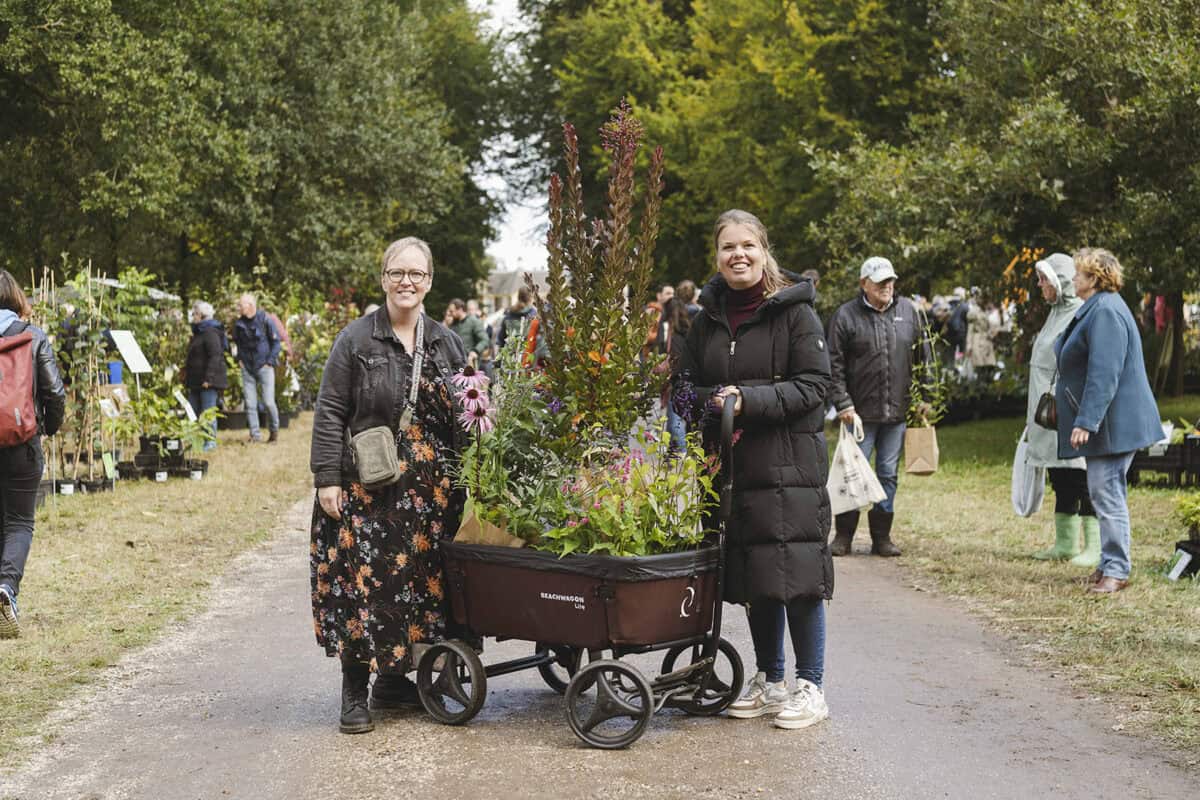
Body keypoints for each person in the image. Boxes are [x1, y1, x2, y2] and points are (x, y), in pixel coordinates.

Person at [673, 209, 832, 730]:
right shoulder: (707, 318)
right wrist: (711, 402)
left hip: (788, 464)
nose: (738, 255)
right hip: (731, 467)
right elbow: (680, 389)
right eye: (727, 248)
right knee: (755, 573)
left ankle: (811, 685)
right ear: (716, 257)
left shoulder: (796, 314)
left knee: (798, 572)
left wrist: (750, 401)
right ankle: (770, 678)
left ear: (764, 251)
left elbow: (815, 387)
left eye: (747, 245)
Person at [310, 237, 467, 733]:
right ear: (383, 278)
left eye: (417, 274)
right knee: (363, 590)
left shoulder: (446, 341)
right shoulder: (355, 340)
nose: (407, 282)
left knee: (425, 589)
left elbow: (467, 412)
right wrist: (327, 479)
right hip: (370, 492)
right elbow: (331, 410)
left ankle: (400, 682)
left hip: (432, 497)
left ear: (429, 282)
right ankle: (356, 687)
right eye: (398, 273)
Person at [1055, 248, 1161, 594]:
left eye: (1078, 274)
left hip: (1115, 422)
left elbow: (1105, 373)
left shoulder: (1105, 311)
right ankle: (1108, 564)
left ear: (1094, 279)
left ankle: (1116, 568)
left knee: (1106, 492)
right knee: (1105, 492)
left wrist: (1086, 421)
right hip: (1112, 421)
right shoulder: (1099, 307)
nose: (1073, 279)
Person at [826, 256, 931, 557]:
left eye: (891, 281)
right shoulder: (845, 316)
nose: (888, 286)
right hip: (857, 414)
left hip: (896, 412)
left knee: (888, 474)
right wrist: (843, 403)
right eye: (881, 281)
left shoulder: (909, 312)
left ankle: (881, 538)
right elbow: (834, 365)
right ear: (864, 284)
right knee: (852, 474)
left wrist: (924, 396)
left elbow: (923, 357)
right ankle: (844, 536)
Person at [0, 269, 65, 639]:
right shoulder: (33, 336)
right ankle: (6, 590)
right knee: (20, 522)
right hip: (22, 441)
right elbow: (54, 391)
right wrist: (49, 427)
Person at [1024, 254, 1097, 564]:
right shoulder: (1055, 314)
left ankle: (1094, 546)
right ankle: (1065, 543)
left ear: (1060, 282)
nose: (1040, 285)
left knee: (1081, 476)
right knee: (1060, 474)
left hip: (1068, 408)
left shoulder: (1080, 314)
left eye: (1044, 279)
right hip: (1048, 412)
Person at [233, 293, 282, 443]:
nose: (238, 308)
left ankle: (274, 431)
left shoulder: (265, 319)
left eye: (240, 305)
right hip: (247, 368)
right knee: (250, 404)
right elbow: (237, 344)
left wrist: (269, 362)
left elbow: (276, 343)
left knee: (268, 401)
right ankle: (255, 435)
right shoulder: (238, 324)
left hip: (264, 367)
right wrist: (239, 360)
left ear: (250, 305)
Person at [185, 301, 228, 452]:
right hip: (195, 381)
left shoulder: (210, 332)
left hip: (207, 382)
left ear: (202, 315)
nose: (193, 317)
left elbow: (215, 355)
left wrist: (208, 379)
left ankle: (210, 442)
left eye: (194, 314)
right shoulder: (199, 332)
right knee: (191, 412)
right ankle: (194, 442)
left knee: (207, 413)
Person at [446, 298, 488, 367]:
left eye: (452, 311)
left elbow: (485, 340)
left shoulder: (474, 321)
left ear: (460, 309)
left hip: (470, 363)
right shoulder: (453, 324)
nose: (450, 313)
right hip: (455, 364)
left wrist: (475, 351)